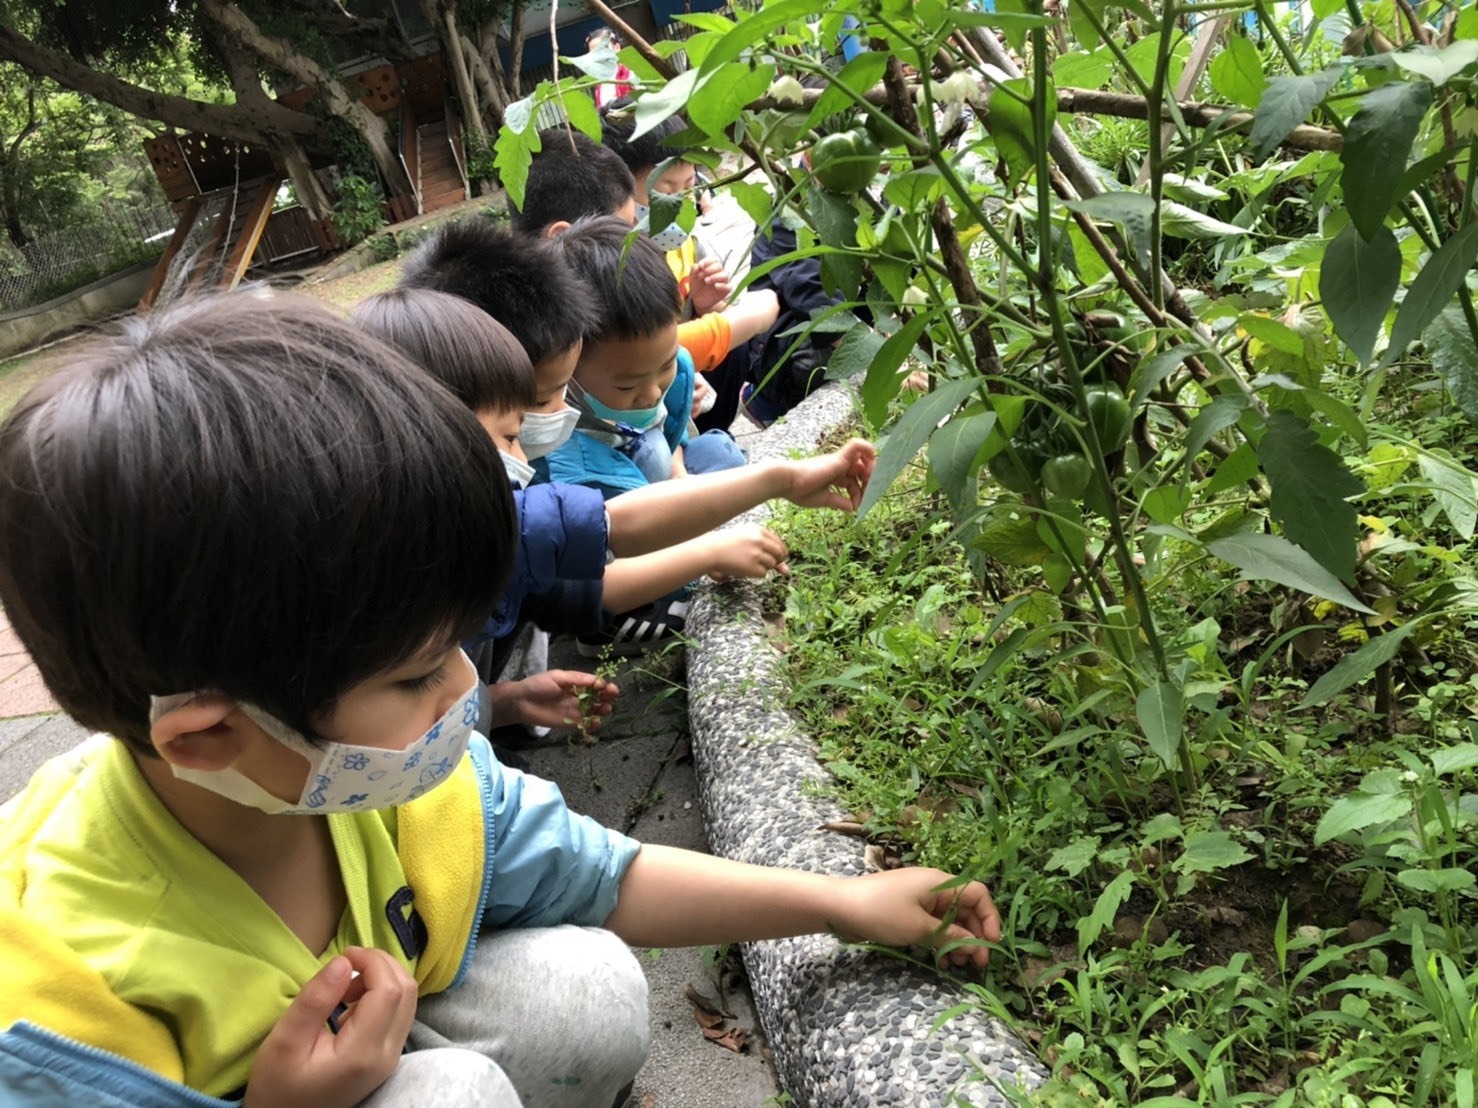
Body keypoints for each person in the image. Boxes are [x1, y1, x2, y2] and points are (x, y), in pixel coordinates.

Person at [0, 291, 1001, 1108]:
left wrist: (839, 902)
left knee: (588, 993)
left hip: (383, 1022)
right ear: (211, 736)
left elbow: (603, 872)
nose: (464, 687)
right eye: (414, 676)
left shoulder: (386, 786)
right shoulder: (63, 1011)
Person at [517, 123, 778, 428]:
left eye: (689, 187)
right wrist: (750, 316)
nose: (634, 237)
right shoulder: (538, 322)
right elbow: (643, 354)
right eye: (623, 230)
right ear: (564, 235)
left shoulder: (680, 251)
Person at [601, 100, 762, 434]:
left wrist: (707, 305)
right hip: (641, 393)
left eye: (688, 189)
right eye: (663, 192)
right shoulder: (611, 263)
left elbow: (720, 316)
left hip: (693, 381)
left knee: (734, 346)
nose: (678, 206)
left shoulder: (689, 246)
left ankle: (715, 434)